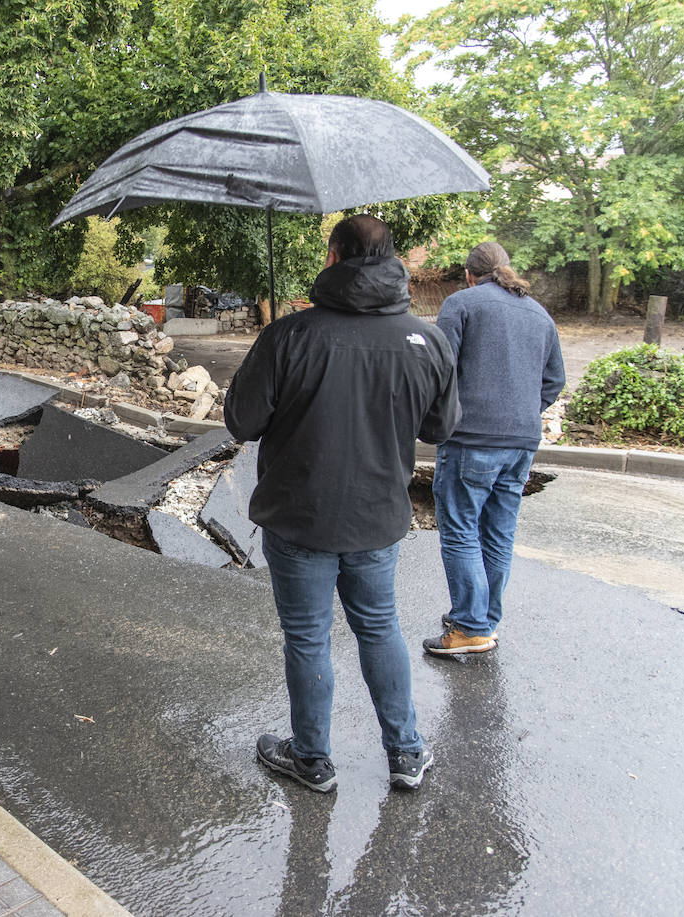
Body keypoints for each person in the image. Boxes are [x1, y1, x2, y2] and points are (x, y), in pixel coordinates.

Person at [225, 215, 459, 792]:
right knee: (380, 628)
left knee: (307, 637)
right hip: (377, 517)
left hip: (298, 515)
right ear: (392, 261)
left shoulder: (290, 336)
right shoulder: (427, 340)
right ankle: (405, 754)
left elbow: (242, 421)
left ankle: (312, 759)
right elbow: (441, 426)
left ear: (333, 259)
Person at [424, 242, 565, 656]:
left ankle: (469, 626)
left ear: (469, 274)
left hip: (471, 438)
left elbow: (438, 368)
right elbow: (554, 380)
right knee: (499, 533)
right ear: (506, 268)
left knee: (461, 528)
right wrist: (521, 411)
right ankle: (485, 621)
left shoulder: (461, 304)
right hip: (522, 442)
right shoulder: (539, 313)